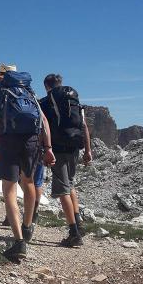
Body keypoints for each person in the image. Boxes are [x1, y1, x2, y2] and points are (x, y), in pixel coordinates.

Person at [0, 64, 55, 262]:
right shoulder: (28, 91)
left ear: (0, 77)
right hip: (31, 141)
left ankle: (19, 242)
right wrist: (48, 148)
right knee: (29, 182)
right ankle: (27, 225)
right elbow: (44, 121)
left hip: (8, 141)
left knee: (9, 189)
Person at [39, 73, 93, 247]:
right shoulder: (73, 100)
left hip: (58, 149)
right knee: (70, 185)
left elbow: (43, 126)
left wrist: (45, 149)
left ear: (47, 86)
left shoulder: (46, 102)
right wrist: (88, 150)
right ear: (60, 83)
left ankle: (74, 233)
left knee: (62, 190)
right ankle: (78, 223)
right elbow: (84, 126)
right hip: (75, 146)